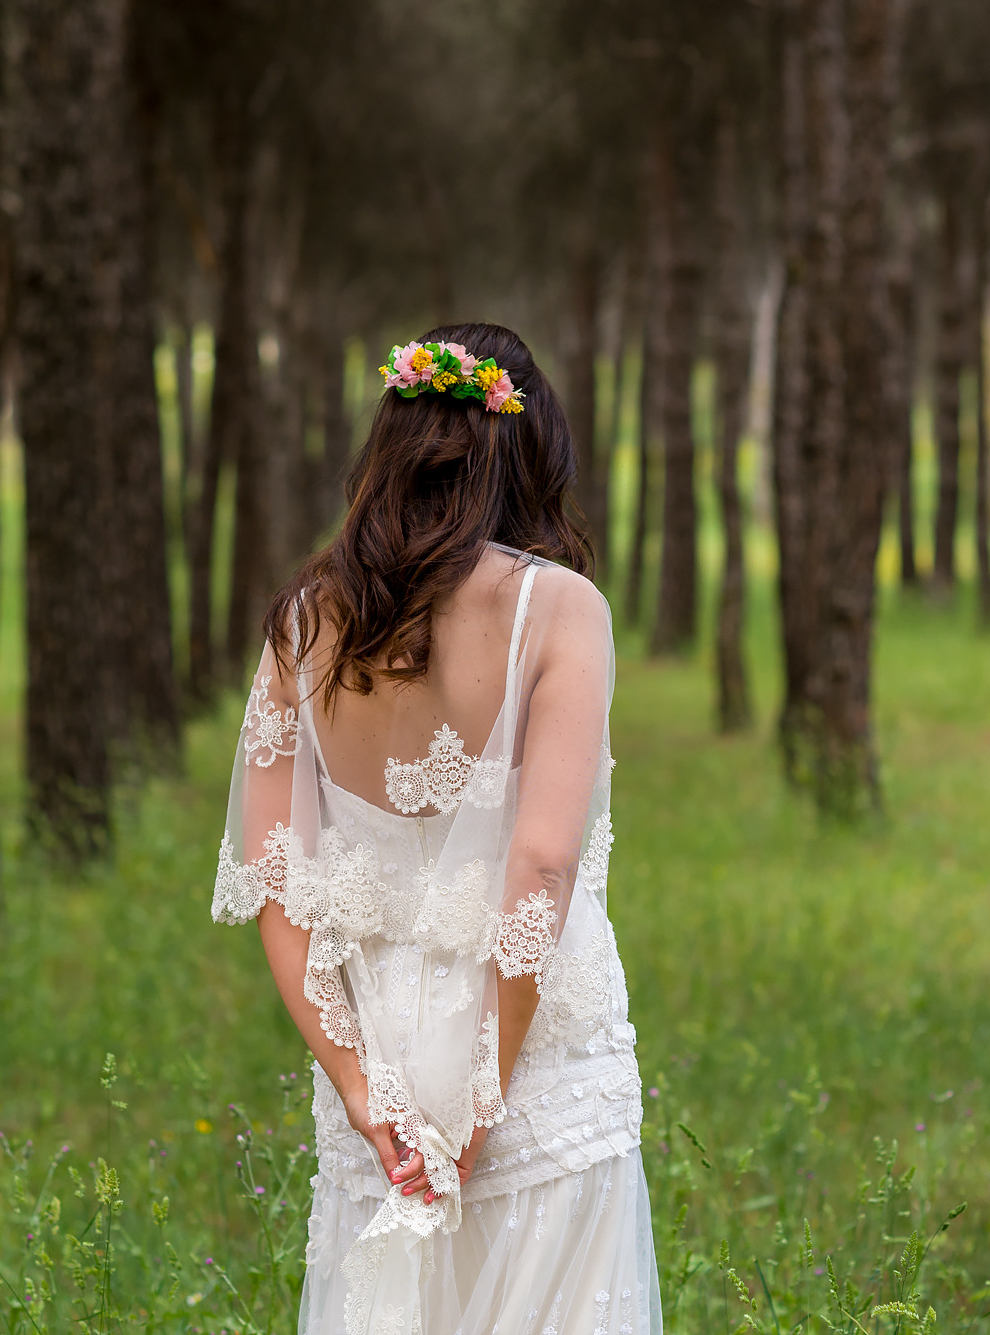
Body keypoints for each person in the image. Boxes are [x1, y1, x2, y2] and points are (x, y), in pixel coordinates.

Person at [211, 323, 659, 1334]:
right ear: (528, 452)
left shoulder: (303, 625)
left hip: (380, 1074)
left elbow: (272, 883)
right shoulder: (562, 612)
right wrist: (481, 1095)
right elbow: (539, 863)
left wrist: (365, 1090)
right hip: (536, 1067)